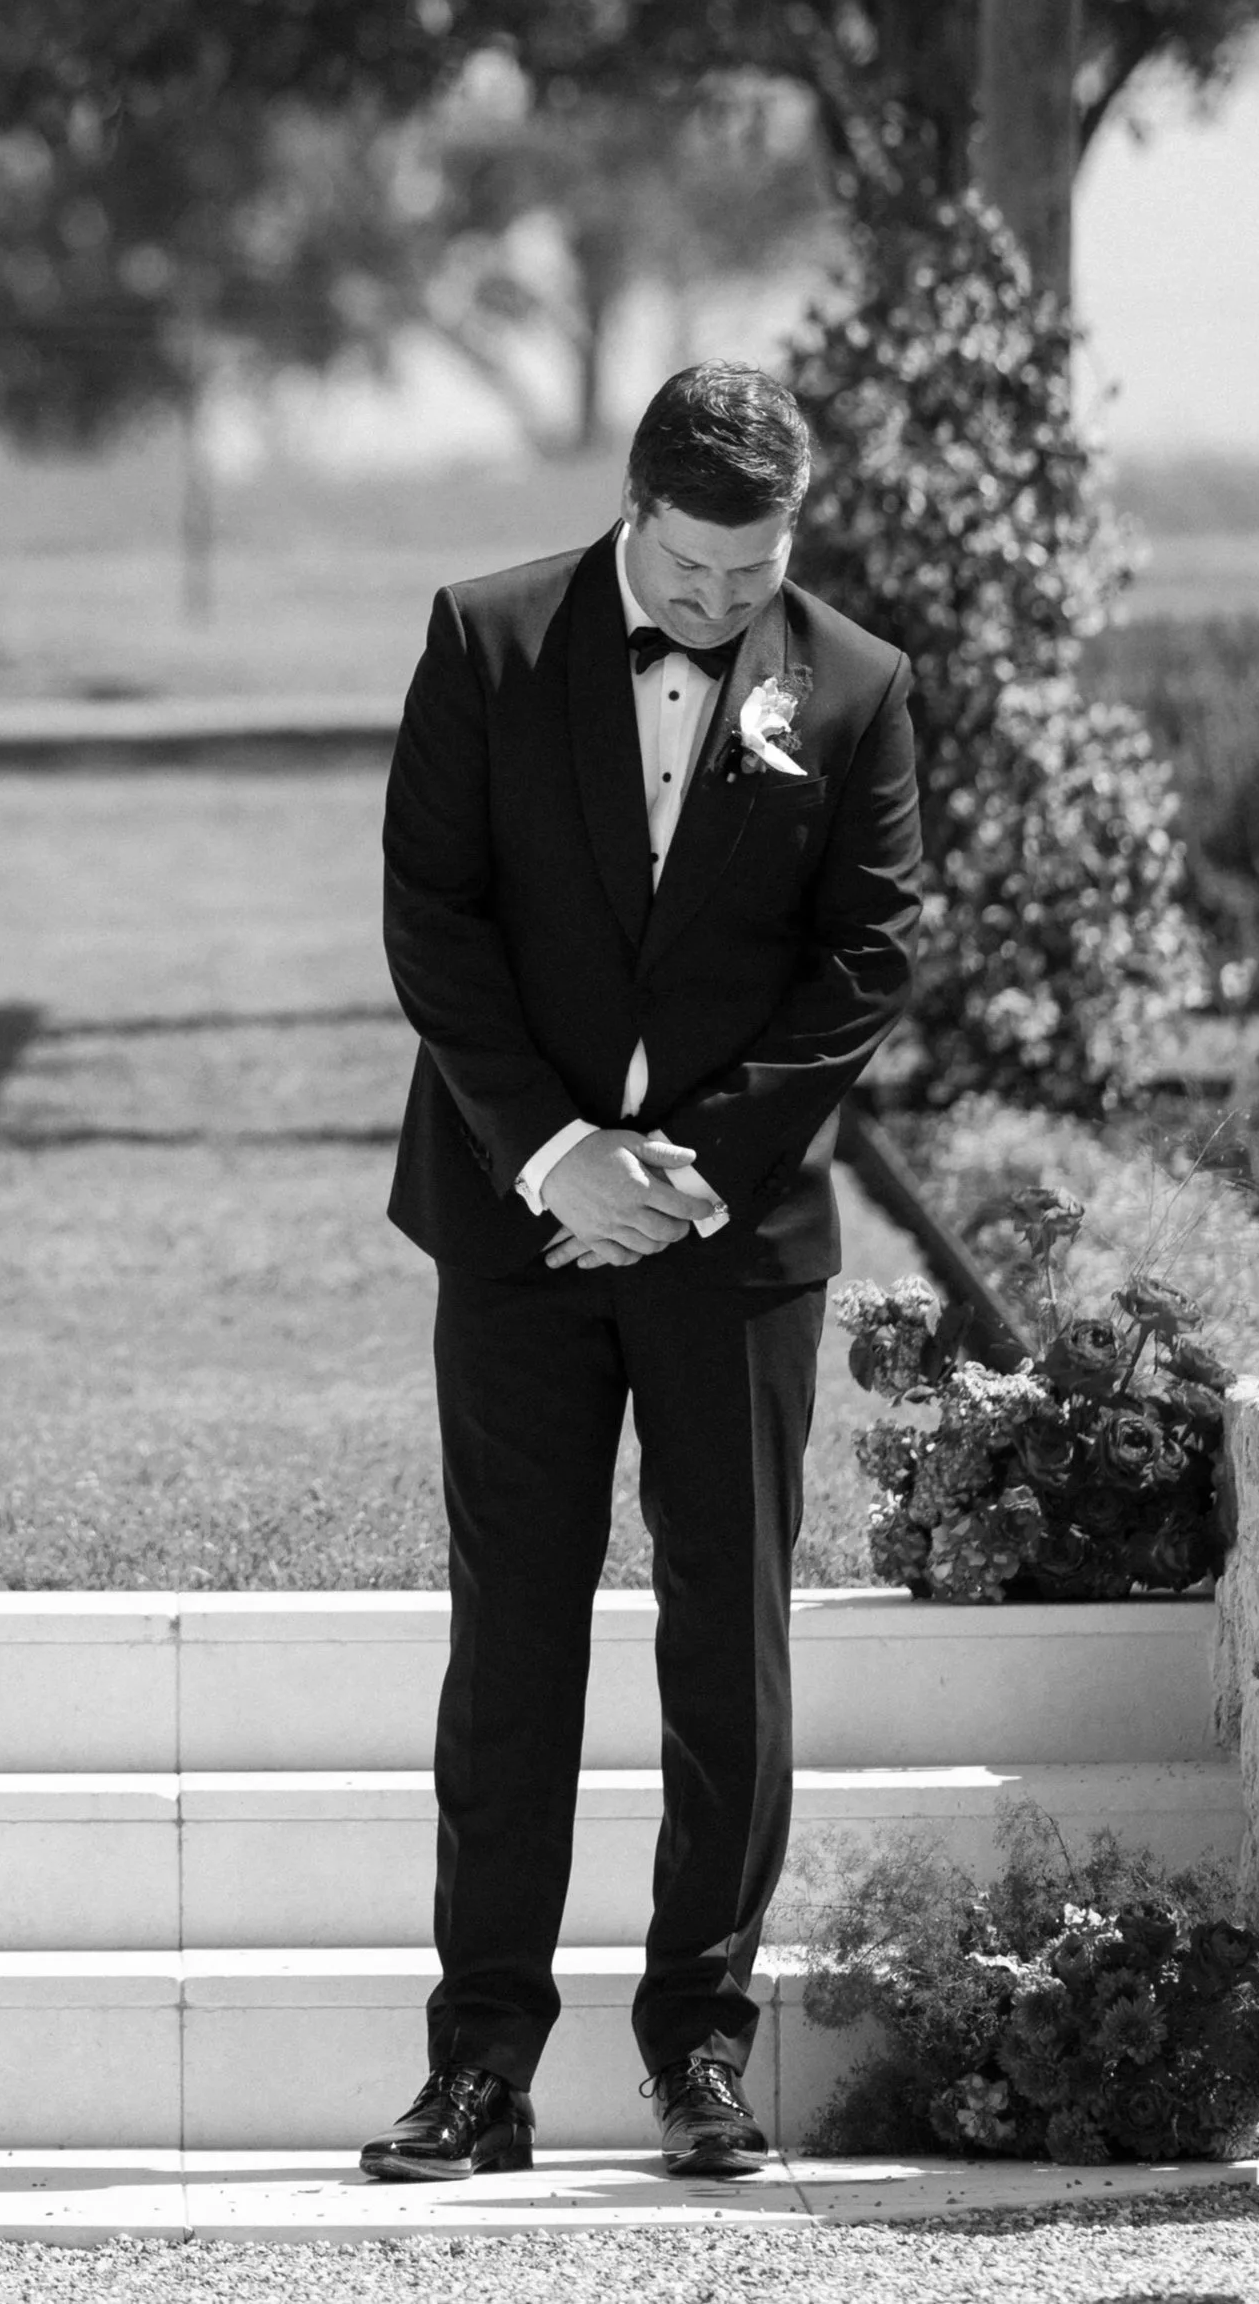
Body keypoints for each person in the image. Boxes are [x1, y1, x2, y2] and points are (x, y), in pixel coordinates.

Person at [361, 361, 921, 2183]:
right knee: (510, 1637)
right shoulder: (485, 639)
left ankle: (699, 2050)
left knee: (728, 1644)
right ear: (633, 508)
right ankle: (477, 2069)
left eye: (754, 570)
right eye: (690, 567)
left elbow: (867, 953)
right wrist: (556, 1153)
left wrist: (691, 1172)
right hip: (513, 1221)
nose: (720, 601)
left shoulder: (856, 684)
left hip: (728, 1242)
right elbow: (431, 913)